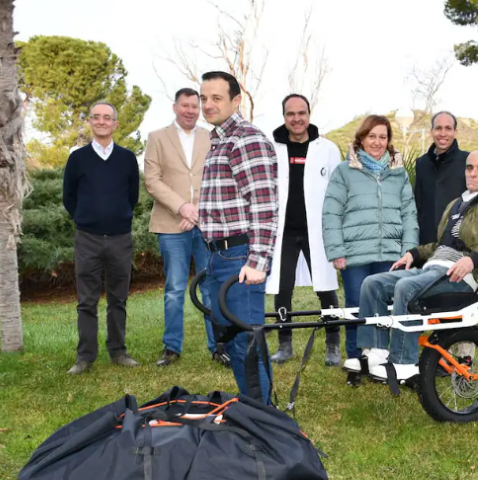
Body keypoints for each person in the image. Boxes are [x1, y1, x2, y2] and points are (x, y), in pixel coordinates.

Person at [344, 150, 478, 380]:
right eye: (469, 167)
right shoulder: (455, 204)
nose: (473, 173)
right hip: (434, 268)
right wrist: (414, 253)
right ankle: (376, 352)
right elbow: (441, 245)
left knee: (406, 288)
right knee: (372, 284)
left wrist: (473, 259)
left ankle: (403, 362)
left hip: (462, 276)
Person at [198, 71, 277, 402]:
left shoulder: (247, 139)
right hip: (219, 256)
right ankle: (252, 409)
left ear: (235, 100)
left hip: (240, 257)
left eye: (217, 98)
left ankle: (264, 421)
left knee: (246, 340)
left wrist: (258, 260)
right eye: (204, 98)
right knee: (232, 338)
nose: (208, 104)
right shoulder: (219, 141)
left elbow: (264, 203)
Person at [144, 87, 230, 368]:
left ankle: (218, 345)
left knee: (211, 286)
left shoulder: (212, 137)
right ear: (175, 107)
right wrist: (181, 207)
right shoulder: (157, 137)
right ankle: (171, 348)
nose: (191, 110)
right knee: (175, 287)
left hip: (207, 225)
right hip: (172, 224)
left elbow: (221, 178)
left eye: (196, 105)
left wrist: (198, 213)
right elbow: (152, 180)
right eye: (186, 105)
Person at [322, 115, 419, 364]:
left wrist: (409, 250)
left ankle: (379, 357)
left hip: (390, 254)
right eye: (372, 136)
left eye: (383, 137)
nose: (377, 142)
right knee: (356, 306)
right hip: (355, 255)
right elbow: (331, 212)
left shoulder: (398, 174)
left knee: (386, 308)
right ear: (362, 138)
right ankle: (356, 358)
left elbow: (409, 214)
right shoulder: (344, 171)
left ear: (389, 141)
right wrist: (336, 251)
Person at [62, 102, 141, 375]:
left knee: (118, 299)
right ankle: (85, 356)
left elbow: (133, 196)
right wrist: (86, 218)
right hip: (88, 239)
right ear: (90, 123)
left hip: (120, 238)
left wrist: (118, 217)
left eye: (107, 118)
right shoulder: (77, 159)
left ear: (116, 124)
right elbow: (68, 197)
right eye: (96, 117)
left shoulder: (128, 158)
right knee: (87, 301)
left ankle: (118, 351)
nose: (102, 121)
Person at [266, 94, 343, 366]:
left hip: (317, 231)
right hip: (284, 231)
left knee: (326, 286)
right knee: (282, 288)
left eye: (302, 112)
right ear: (284, 116)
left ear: (309, 114)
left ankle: (333, 344)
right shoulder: (272, 148)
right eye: (290, 114)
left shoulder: (328, 149)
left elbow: (338, 192)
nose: (296, 118)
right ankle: (284, 343)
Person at [414, 111, 469, 245]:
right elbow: (417, 205)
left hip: (457, 245)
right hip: (425, 244)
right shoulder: (421, 163)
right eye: (438, 128)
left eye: (448, 128)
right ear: (431, 131)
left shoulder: (468, 161)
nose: (443, 134)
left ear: (455, 132)